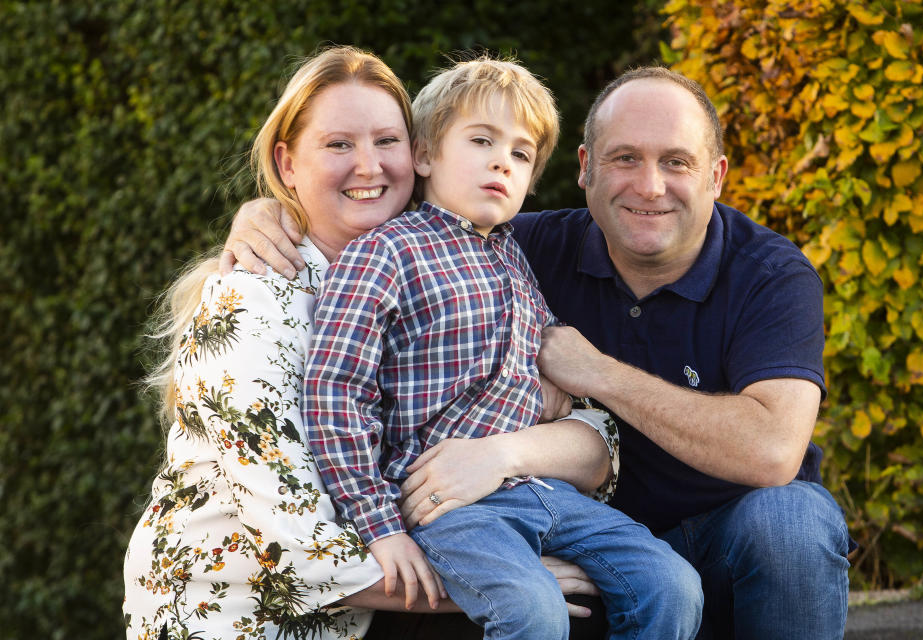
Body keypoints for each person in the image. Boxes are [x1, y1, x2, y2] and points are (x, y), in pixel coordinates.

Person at [224, 65, 853, 639]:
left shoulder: (768, 272)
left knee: (788, 522)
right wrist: (275, 212)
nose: (650, 185)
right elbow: (396, 197)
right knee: (534, 606)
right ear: (585, 169)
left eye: (678, 162)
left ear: (716, 175)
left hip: (698, 534)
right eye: (625, 158)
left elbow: (773, 452)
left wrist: (594, 376)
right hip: (510, 517)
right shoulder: (520, 245)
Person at [123, 46, 616, 640]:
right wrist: (515, 582)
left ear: (423, 155)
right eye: (338, 145)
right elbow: (298, 537)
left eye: (387, 142)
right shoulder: (251, 304)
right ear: (287, 164)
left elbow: (598, 441)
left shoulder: (463, 266)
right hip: (230, 618)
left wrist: (510, 453)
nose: (370, 166)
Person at [300, 56, 702, 640]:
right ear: (425, 155)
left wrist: (553, 374)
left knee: (672, 584)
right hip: (449, 508)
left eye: (520, 153)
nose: (501, 161)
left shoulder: (514, 254)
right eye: (482, 140)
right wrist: (379, 525)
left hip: (540, 490)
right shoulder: (385, 253)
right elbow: (335, 391)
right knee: (532, 610)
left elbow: (544, 343)